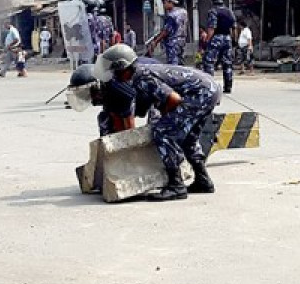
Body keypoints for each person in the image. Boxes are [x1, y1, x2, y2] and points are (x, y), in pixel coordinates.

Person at [94, 44, 220, 201]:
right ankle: (203, 180)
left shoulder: (141, 77)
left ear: (123, 68)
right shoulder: (139, 73)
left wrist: (166, 121)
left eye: (115, 71)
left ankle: (176, 186)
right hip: (209, 89)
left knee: (163, 132)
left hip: (200, 93)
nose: (113, 74)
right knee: (189, 139)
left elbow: (174, 99)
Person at [201, 0, 235, 93]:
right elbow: (234, 27)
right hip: (227, 38)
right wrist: (233, 40)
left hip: (216, 38)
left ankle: (210, 86)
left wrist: (207, 40)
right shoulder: (229, 11)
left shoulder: (213, 11)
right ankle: (228, 86)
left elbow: (212, 28)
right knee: (227, 63)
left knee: (209, 62)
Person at [148, 0, 188, 66]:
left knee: (173, 66)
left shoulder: (172, 15)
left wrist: (155, 42)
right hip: (182, 42)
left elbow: (166, 31)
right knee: (181, 65)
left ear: (172, 2)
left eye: (166, 1)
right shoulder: (184, 12)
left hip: (173, 43)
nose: (164, 3)